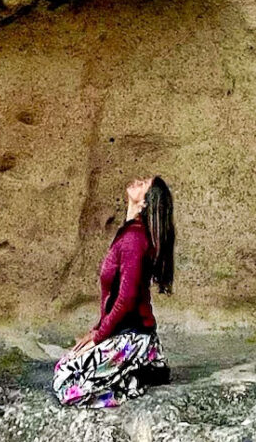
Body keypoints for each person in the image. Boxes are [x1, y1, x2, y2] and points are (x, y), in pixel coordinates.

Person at [52, 175, 175, 408]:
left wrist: (99, 338)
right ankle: (136, 371)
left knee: (67, 386)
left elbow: (126, 299)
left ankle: (135, 381)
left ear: (146, 203)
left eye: (143, 184)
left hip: (133, 337)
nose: (137, 181)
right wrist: (96, 331)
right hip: (125, 332)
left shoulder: (134, 239)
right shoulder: (130, 232)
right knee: (63, 366)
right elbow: (114, 296)